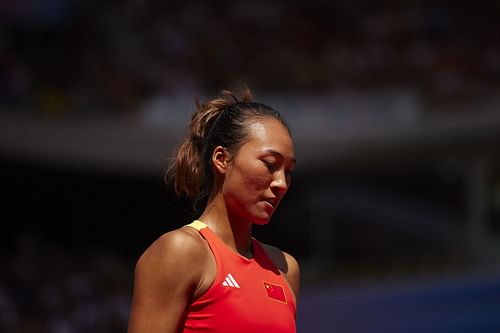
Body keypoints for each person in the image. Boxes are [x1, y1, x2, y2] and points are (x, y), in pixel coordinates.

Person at [127, 88, 299, 333]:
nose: (281, 183)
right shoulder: (180, 252)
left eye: (289, 171)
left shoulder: (285, 267)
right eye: (270, 165)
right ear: (222, 159)